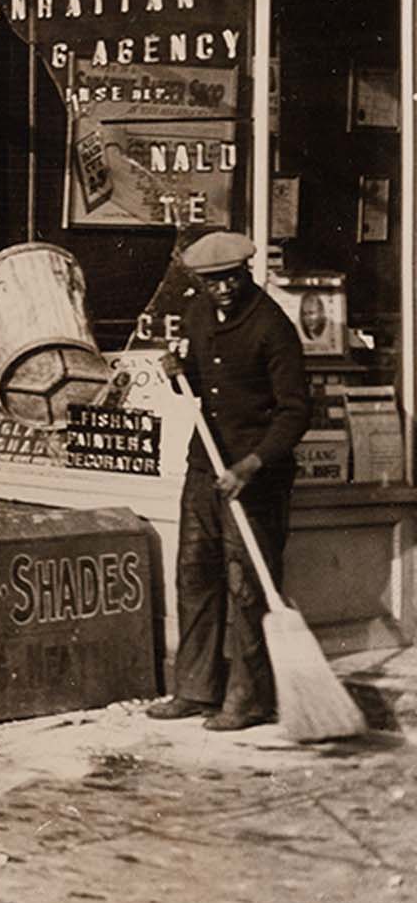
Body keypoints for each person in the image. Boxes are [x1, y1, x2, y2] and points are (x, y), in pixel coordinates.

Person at [147, 231, 311, 733]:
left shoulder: (271, 327)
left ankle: (249, 698)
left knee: (247, 587)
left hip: (254, 476)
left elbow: (296, 412)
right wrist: (179, 373)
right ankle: (195, 689)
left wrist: (252, 465)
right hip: (205, 467)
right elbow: (203, 384)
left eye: (229, 279)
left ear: (247, 273)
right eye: (210, 281)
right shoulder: (199, 315)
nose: (221, 289)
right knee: (195, 574)